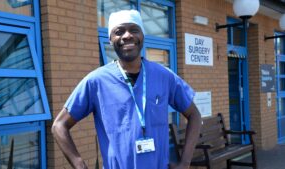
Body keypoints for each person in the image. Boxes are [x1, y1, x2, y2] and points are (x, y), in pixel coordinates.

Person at [52, 9, 201, 169]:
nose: (127, 35)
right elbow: (59, 126)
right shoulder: (96, 81)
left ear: (142, 36)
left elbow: (194, 115)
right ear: (110, 39)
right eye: (119, 31)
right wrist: (80, 165)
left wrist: (185, 163)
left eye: (134, 29)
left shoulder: (164, 76)